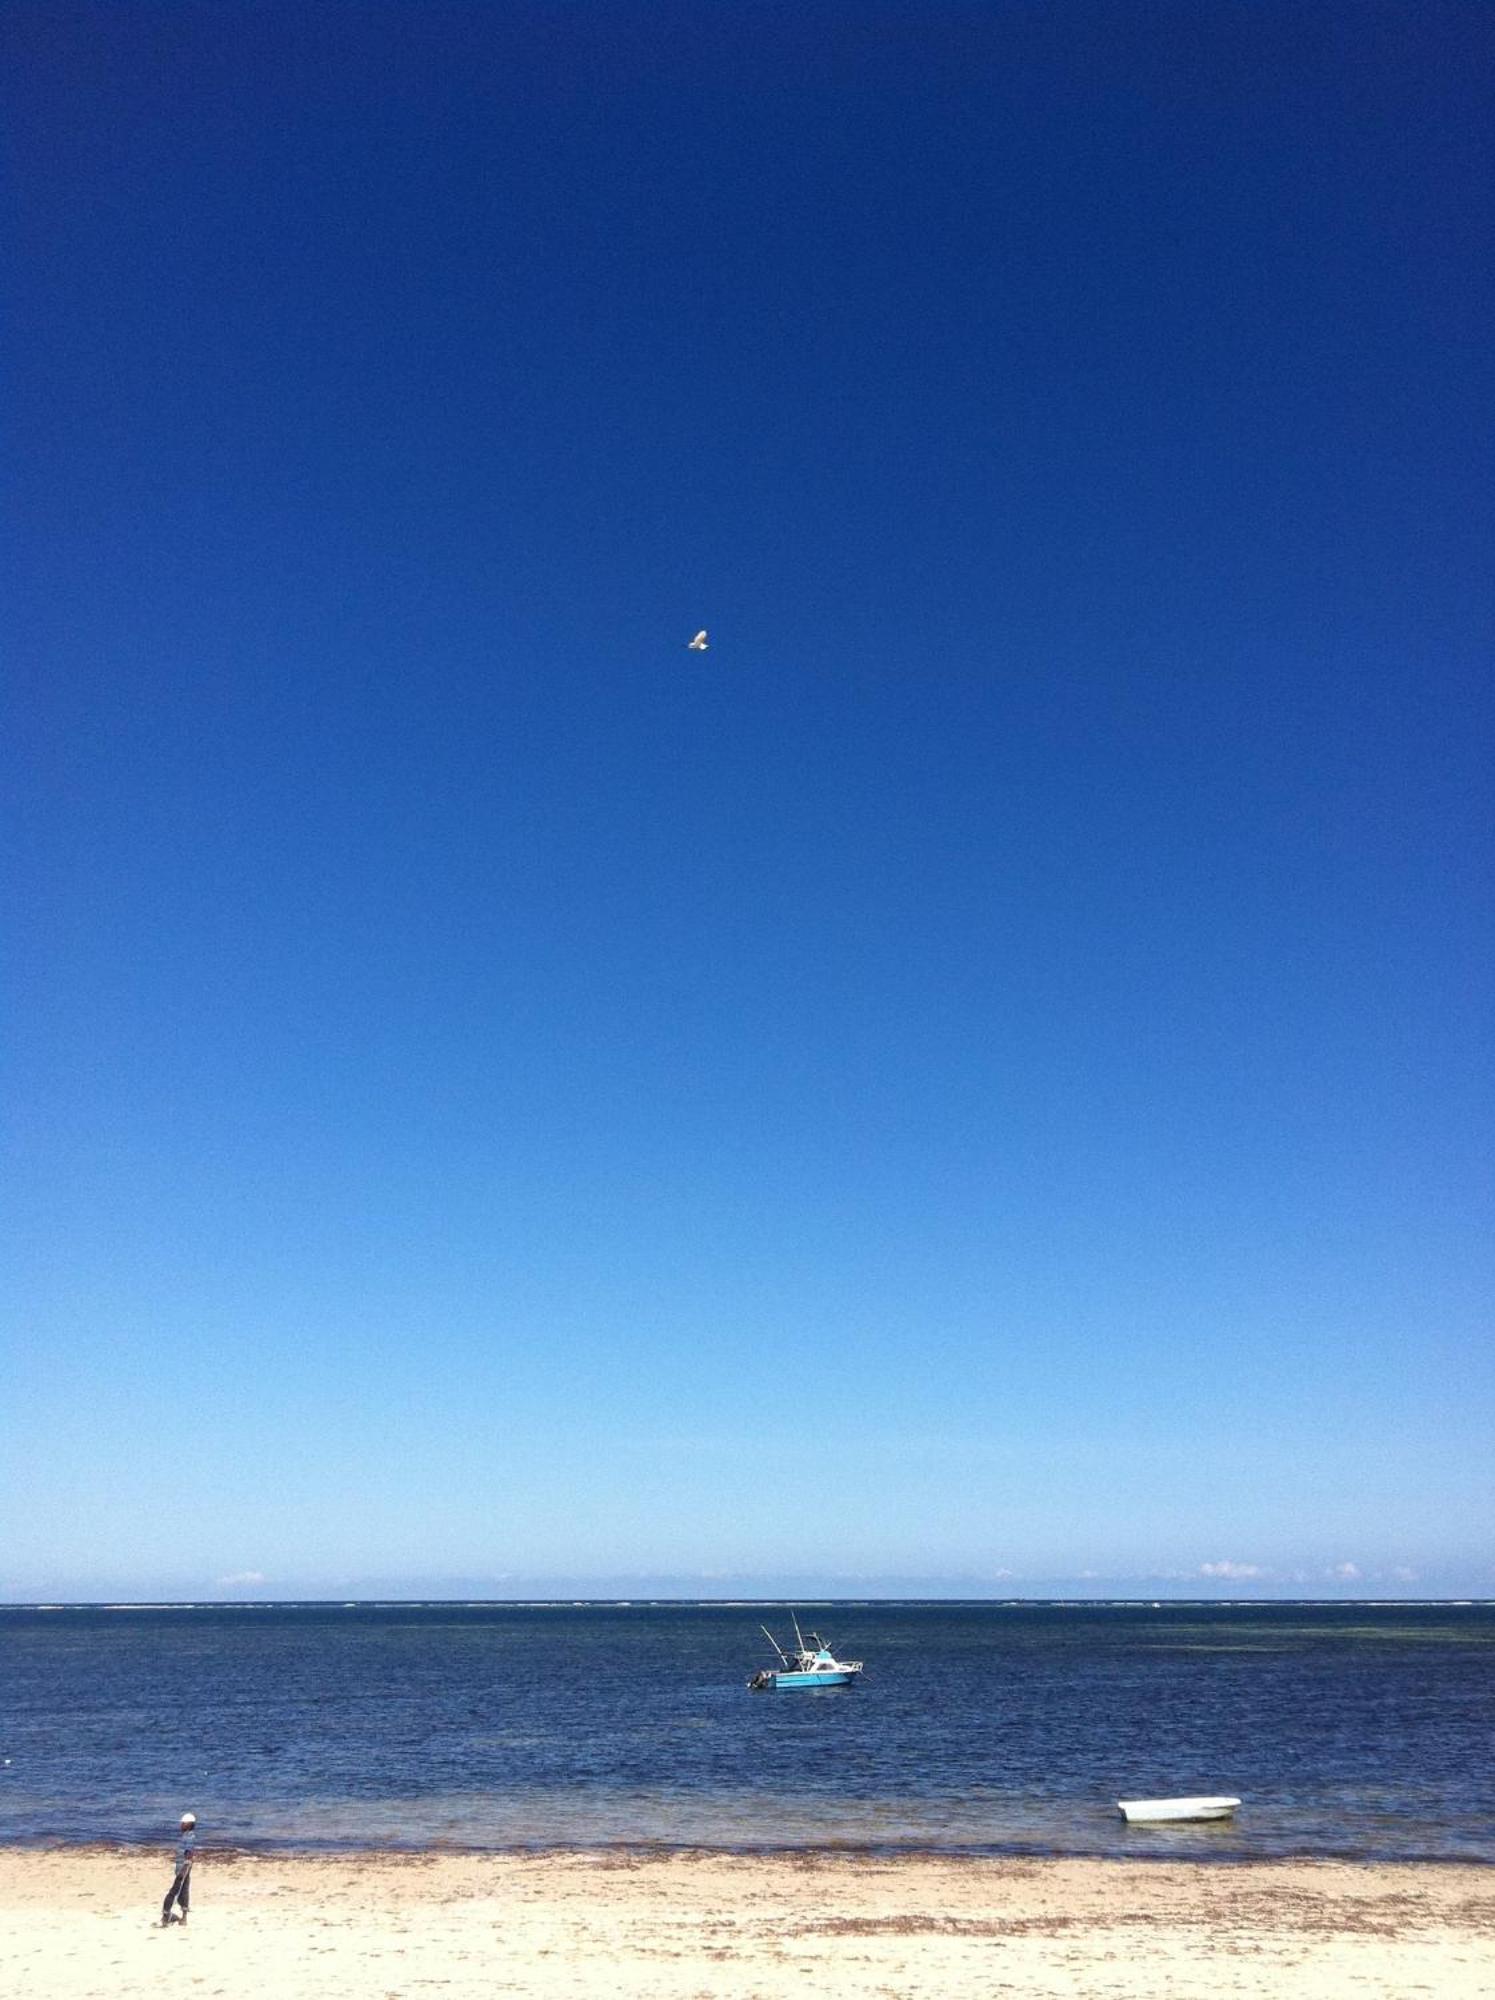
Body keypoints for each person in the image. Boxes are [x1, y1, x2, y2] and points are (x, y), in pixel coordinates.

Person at [161, 1813, 196, 1926]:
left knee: (174, 1892)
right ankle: (184, 1918)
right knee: (184, 1891)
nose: (181, 1825)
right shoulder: (187, 1835)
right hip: (184, 1867)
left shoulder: (189, 1837)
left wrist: (184, 1868)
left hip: (183, 1868)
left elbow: (189, 1853)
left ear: (188, 1824)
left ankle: (165, 1917)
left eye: (183, 1823)